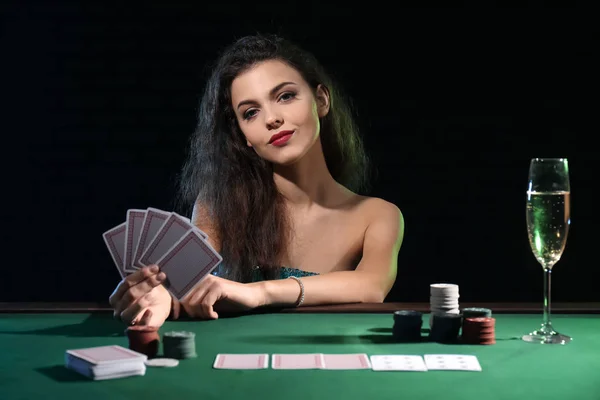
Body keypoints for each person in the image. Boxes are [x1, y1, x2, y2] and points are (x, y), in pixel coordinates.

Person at [109, 34, 404, 327]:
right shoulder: (218, 202)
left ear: (321, 100)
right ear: (244, 137)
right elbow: (185, 283)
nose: (271, 119)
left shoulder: (378, 214)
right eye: (251, 113)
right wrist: (159, 295)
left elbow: (372, 286)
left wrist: (257, 292)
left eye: (285, 96)